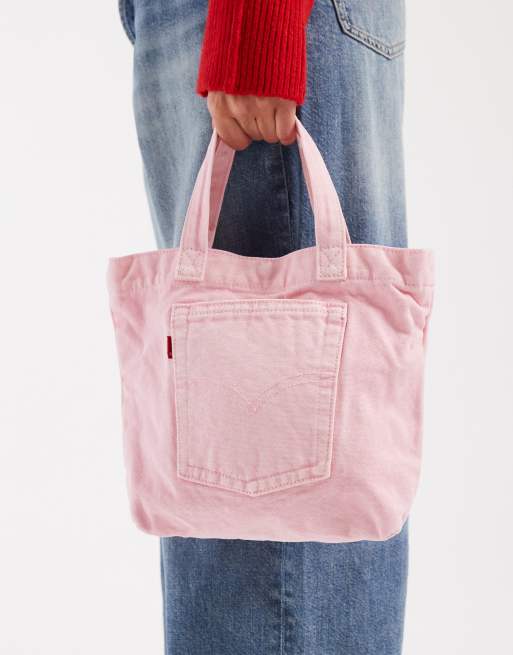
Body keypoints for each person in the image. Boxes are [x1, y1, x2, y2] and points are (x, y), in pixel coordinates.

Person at [118, 0, 409, 652]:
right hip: (199, 21)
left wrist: (258, 27)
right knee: (234, 501)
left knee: (277, 523)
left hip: (256, 25)